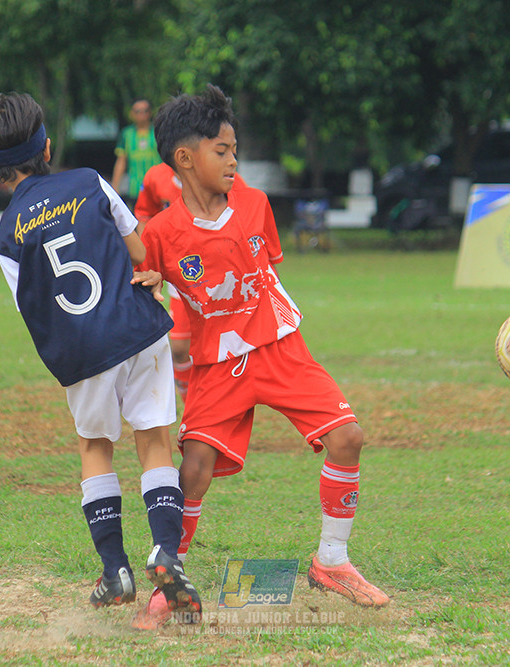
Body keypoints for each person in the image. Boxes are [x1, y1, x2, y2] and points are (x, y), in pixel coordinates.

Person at [136, 85, 390, 629]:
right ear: (185, 159)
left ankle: (333, 560)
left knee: (348, 437)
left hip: (278, 347)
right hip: (216, 366)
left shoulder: (255, 205)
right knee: (195, 470)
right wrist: (149, 284)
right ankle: (171, 582)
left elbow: (268, 269)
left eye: (234, 150)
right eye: (221, 151)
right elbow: (140, 283)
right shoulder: (160, 233)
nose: (233, 160)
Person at [0, 92, 201, 625]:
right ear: (48, 146)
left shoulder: (7, 234)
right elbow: (140, 252)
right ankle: (165, 551)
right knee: (154, 438)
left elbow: (33, 304)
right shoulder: (91, 182)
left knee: (95, 445)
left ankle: (114, 568)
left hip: (80, 348)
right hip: (137, 328)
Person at [134, 163, 247, 400]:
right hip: (183, 272)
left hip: (218, 276)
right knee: (179, 349)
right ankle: (191, 401)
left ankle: (230, 399)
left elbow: (245, 214)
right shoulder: (156, 177)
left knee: (225, 346)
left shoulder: (220, 177)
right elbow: (145, 214)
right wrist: (148, 260)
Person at [111, 98, 162, 205]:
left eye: (145, 110)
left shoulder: (158, 132)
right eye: (138, 111)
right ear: (132, 114)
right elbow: (121, 161)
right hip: (135, 189)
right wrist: (115, 188)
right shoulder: (127, 134)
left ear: (150, 112)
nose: (142, 114)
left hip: (158, 188)